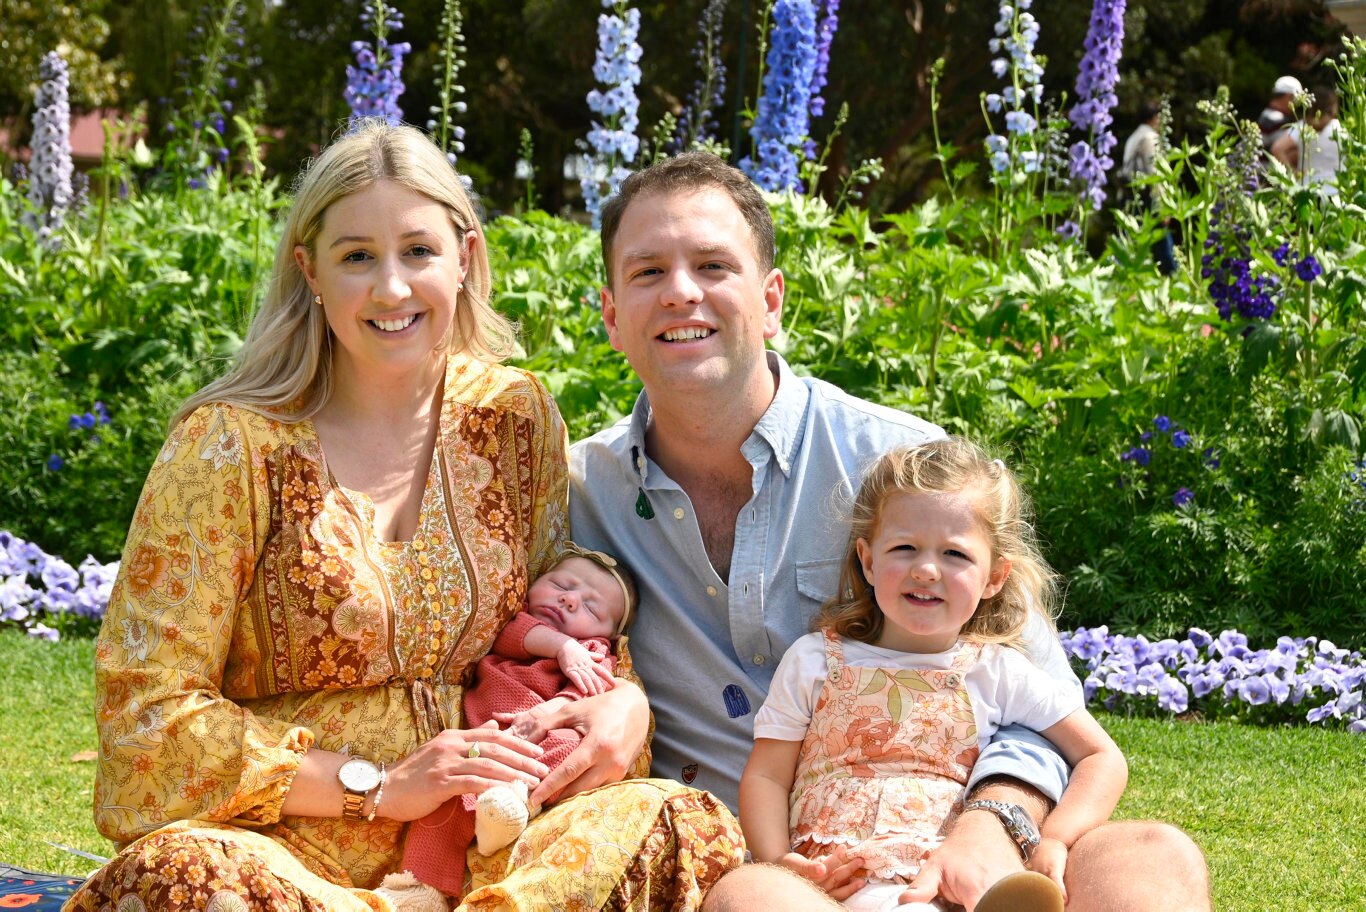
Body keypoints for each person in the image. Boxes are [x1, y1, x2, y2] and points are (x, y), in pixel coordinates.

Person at [68, 121, 742, 911]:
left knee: (675, 821)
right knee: (184, 877)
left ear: (465, 257)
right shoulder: (229, 446)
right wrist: (379, 787)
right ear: (309, 272)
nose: (392, 288)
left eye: (418, 251)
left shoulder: (512, 418)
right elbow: (146, 719)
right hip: (287, 852)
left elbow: (565, 607)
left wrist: (619, 704)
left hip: (489, 841)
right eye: (357, 256)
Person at [568, 151, 1212, 911]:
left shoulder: (902, 472)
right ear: (611, 314)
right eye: (647, 273)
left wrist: (991, 820)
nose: (682, 293)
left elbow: (1043, 700)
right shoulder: (580, 496)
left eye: (713, 265)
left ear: (771, 299)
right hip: (776, 876)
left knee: (1152, 856)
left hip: (963, 846)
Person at [739, 439, 1128, 912]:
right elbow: (767, 776)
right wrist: (778, 859)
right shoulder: (814, 661)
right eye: (904, 547)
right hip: (836, 880)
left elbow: (1101, 756)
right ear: (867, 559)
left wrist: (1057, 838)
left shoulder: (995, 670)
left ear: (994, 578)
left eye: (955, 555)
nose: (926, 569)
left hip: (945, 876)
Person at [400, 544, 638, 899]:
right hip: (486, 736)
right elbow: (512, 633)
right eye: (560, 585)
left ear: (608, 635)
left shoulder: (594, 652)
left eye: (591, 607)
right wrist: (561, 646)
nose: (570, 600)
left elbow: (590, 695)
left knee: (572, 748)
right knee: (442, 800)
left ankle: (516, 801)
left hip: (542, 742)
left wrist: (551, 712)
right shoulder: (521, 620)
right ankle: (418, 891)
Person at [1118, 99, 1176, 275]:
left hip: (1129, 196)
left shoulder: (1133, 137)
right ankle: (1174, 280)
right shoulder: (1150, 138)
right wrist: (1164, 205)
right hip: (1146, 198)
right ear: (1154, 117)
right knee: (1163, 244)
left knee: (1133, 245)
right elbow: (1155, 173)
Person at [1271, 86, 1342, 188]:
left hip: (1306, 187)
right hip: (1335, 188)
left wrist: (1293, 173)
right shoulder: (1339, 127)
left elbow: (1277, 148)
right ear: (1333, 107)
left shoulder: (1302, 126)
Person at [1258, 75, 1303, 151]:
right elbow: (1287, 150)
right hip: (1268, 162)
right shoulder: (1275, 118)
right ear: (1288, 96)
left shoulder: (1270, 113)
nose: (1297, 103)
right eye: (1296, 98)